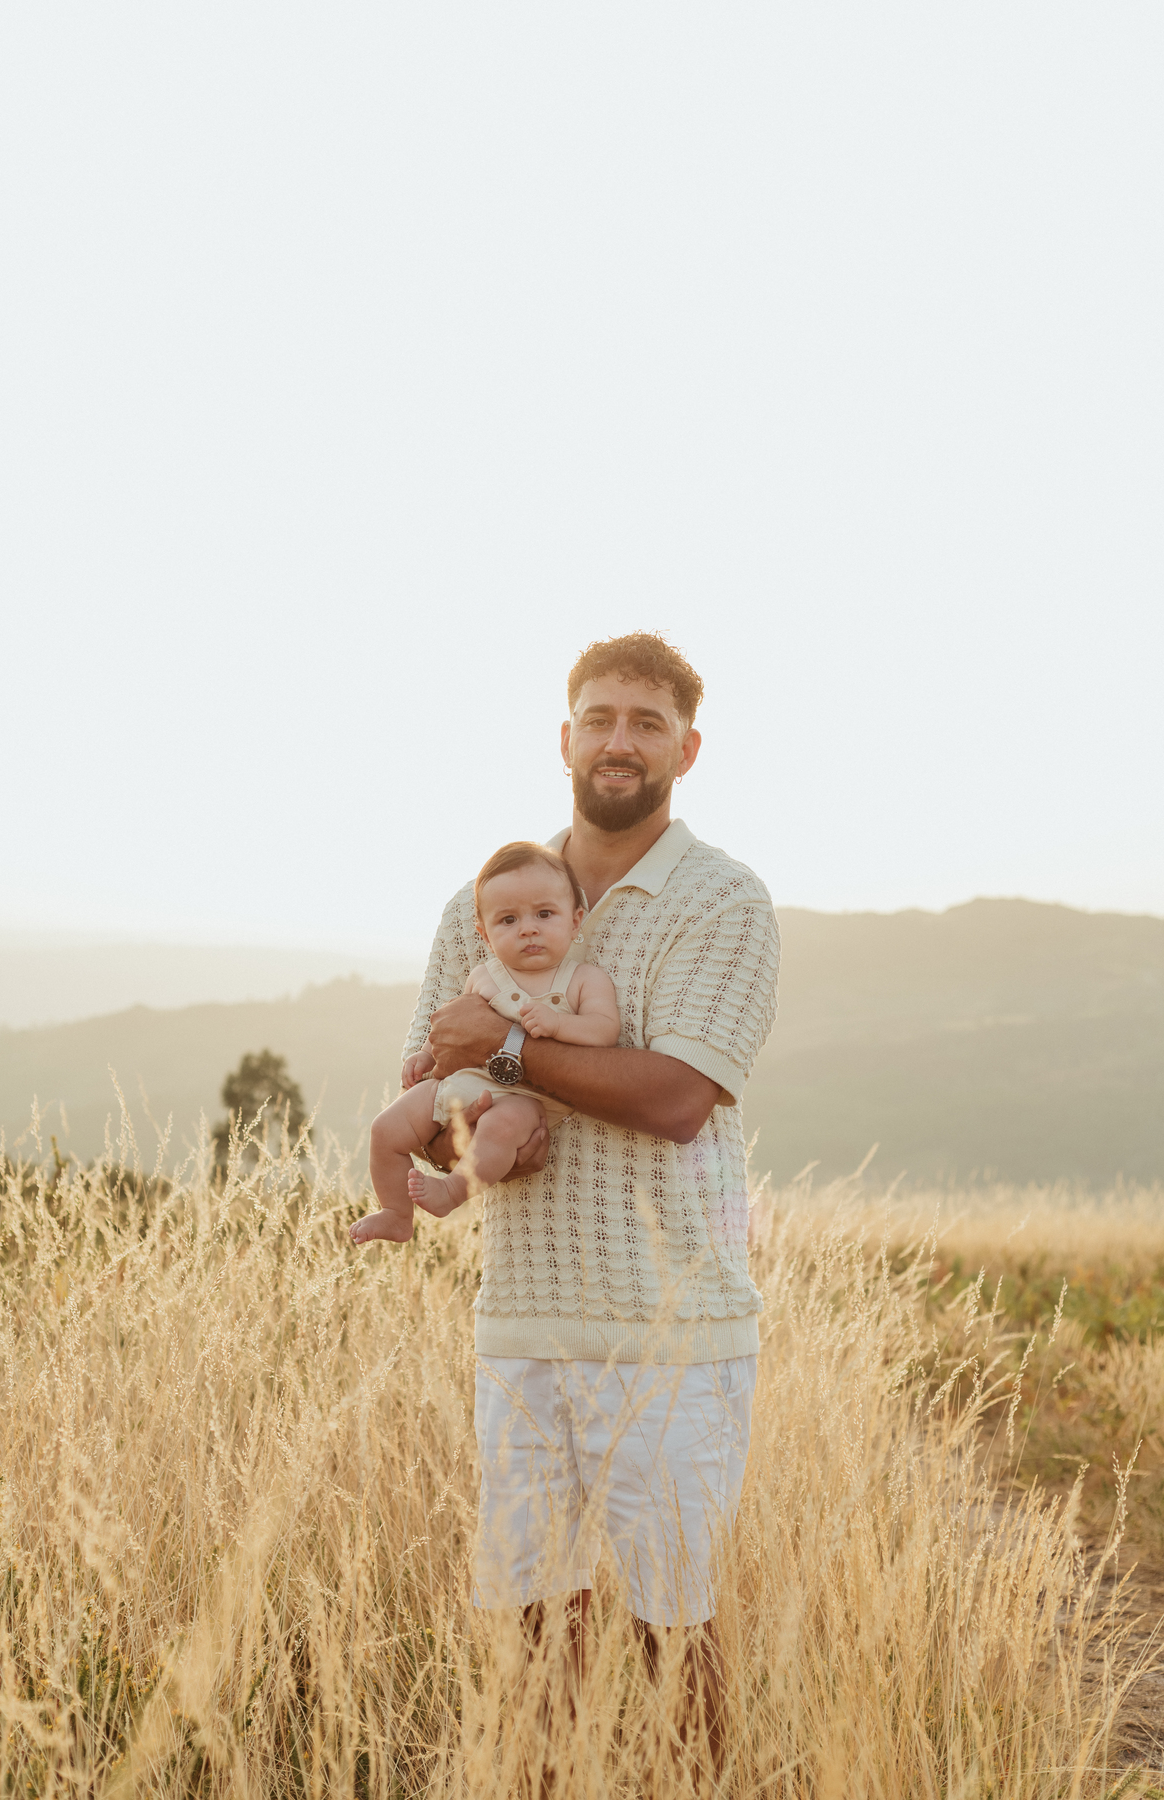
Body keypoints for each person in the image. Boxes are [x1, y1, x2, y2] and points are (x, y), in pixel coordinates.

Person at [401, 632, 779, 1773]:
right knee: (530, 1624)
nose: (621, 742)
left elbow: (674, 1096)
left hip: (671, 1331)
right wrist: (453, 1113)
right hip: (522, 1322)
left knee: (677, 1633)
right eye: (601, 718)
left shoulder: (722, 899)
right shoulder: (488, 901)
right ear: (565, 737)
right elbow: (430, 1082)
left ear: (689, 748)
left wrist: (508, 1047)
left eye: (648, 723)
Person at [350, 842, 619, 1243]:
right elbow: (451, 1029)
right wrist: (425, 1055)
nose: (528, 928)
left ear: (576, 920)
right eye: (508, 920)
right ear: (485, 935)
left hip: (527, 1097)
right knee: (386, 1129)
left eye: (545, 914)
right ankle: (394, 1212)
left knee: (501, 1127)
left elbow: (604, 1030)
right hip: (461, 1082)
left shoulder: (582, 980)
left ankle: (453, 1190)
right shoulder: (483, 975)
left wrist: (559, 1025)